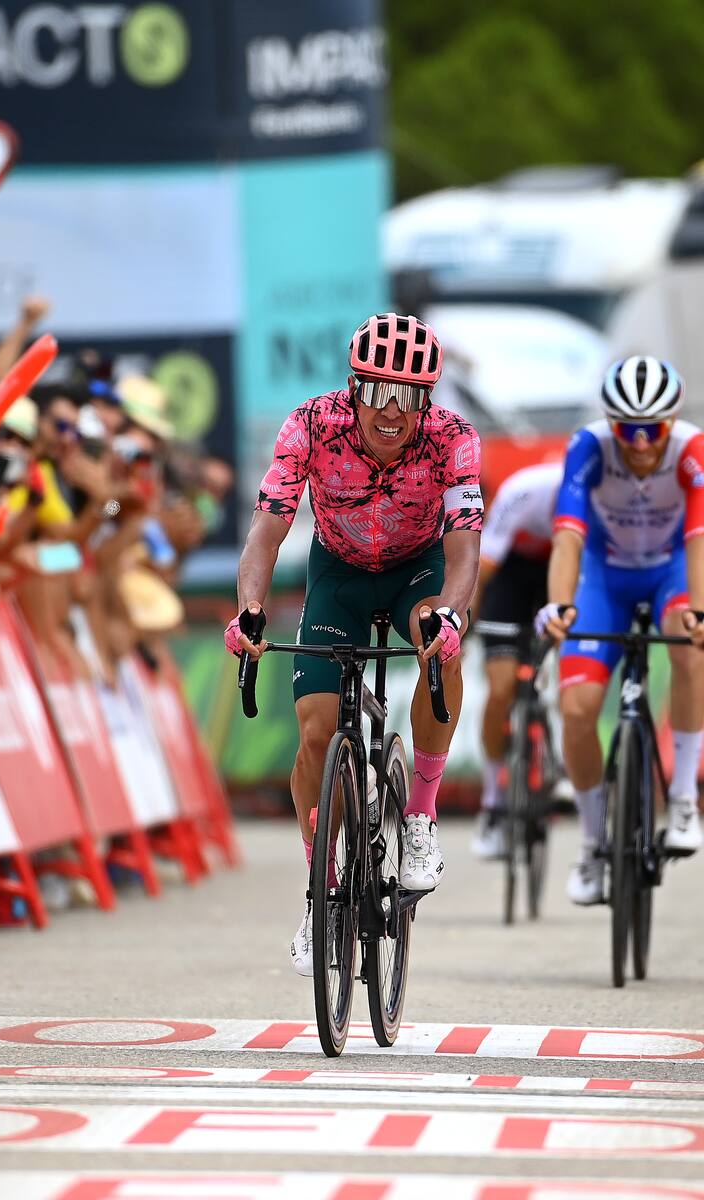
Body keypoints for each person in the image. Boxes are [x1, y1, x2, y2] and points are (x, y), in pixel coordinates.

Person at [226, 312, 483, 977]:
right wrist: (250, 609)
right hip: (338, 573)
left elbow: (464, 550)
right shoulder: (310, 424)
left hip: (418, 570)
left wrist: (452, 617)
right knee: (316, 733)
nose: (393, 411)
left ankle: (420, 817)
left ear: (428, 399)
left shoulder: (454, 438)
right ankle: (322, 897)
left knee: (434, 637)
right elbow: (266, 532)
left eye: (410, 396)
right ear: (353, 387)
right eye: (378, 392)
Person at [539, 356, 704, 904]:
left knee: (689, 645)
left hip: (671, 571)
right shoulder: (588, 446)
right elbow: (567, 537)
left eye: (651, 429)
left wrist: (700, 612)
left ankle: (682, 797)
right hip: (604, 581)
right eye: (626, 429)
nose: (638, 443)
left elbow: (700, 540)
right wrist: (559, 606)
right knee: (579, 709)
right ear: (611, 425)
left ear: (670, 423)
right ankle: (592, 844)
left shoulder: (691, 449)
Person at [470, 460, 564, 858]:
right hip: (510, 575)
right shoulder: (524, 491)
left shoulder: (597, 500)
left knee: (572, 673)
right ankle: (494, 802)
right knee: (501, 689)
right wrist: (462, 621)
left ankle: (556, 759)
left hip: (560, 574)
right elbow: (484, 569)